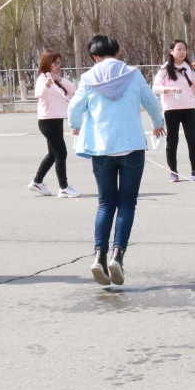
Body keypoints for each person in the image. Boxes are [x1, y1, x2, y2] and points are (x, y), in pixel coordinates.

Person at [67, 34, 166, 289]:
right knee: (127, 203)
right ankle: (117, 256)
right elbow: (151, 101)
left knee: (105, 203)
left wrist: (75, 125)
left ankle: (98, 256)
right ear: (118, 52)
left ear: (94, 56)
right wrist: (158, 124)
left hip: (101, 148)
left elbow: (75, 108)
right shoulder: (132, 74)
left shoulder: (88, 78)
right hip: (132, 146)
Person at [29, 50, 80, 197]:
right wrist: (48, 83)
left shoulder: (56, 80)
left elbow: (72, 89)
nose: (58, 66)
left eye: (59, 63)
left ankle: (37, 182)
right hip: (47, 121)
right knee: (61, 153)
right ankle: (63, 187)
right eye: (55, 63)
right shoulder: (42, 78)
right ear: (47, 63)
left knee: (53, 154)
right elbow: (39, 94)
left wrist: (59, 79)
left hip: (56, 120)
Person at [153, 40, 195, 183]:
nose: (182, 52)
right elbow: (155, 87)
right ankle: (173, 171)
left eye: (184, 49)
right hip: (171, 109)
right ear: (171, 52)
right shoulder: (165, 69)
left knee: (193, 139)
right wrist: (169, 89)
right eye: (179, 49)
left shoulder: (188, 67)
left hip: (188, 108)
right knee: (172, 141)